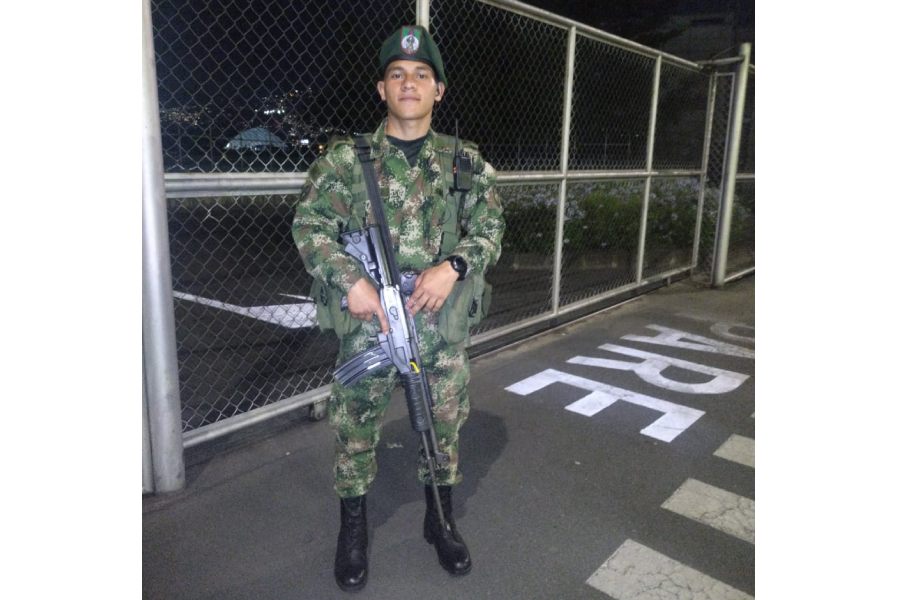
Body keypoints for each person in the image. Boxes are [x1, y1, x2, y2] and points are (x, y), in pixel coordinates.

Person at [292, 25, 505, 592]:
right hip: (371, 321)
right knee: (355, 425)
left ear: (439, 90)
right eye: (397, 74)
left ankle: (441, 520)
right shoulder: (346, 161)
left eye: (421, 75)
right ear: (382, 89)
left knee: (443, 425)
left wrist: (453, 265)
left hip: (440, 320)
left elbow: (490, 227)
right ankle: (353, 531)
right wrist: (351, 282)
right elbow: (310, 226)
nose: (409, 83)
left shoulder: (465, 162)